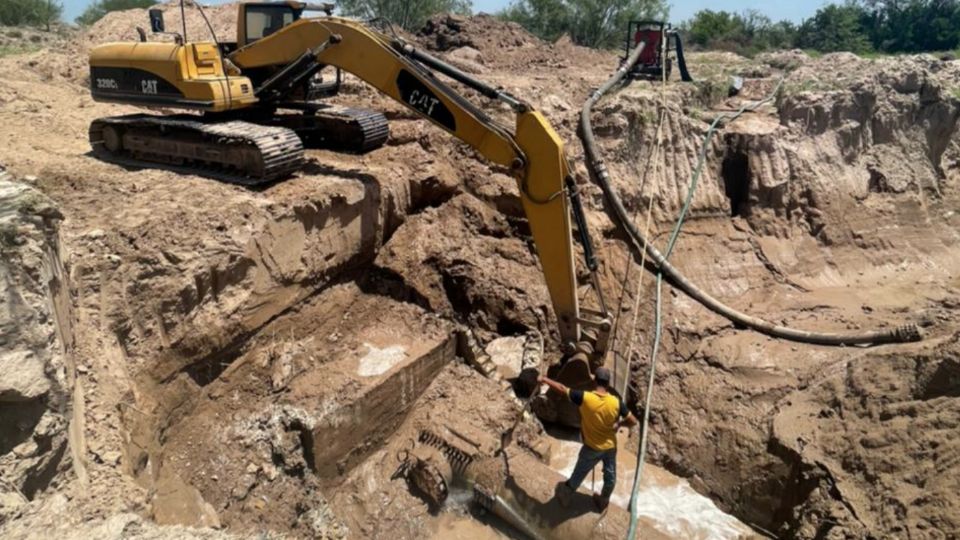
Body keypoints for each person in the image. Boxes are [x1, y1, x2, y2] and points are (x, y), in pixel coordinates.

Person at [539, 367, 637, 511]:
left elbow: (561, 388)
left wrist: (545, 379)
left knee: (579, 473)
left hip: (592, 447)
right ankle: (603, 500)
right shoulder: (616, 402)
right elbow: (633, 421)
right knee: (610, 476)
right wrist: (619, 424)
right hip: (610, 447)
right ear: (608, 383)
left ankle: (564, 497)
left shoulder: (585, 397)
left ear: (594, 380)